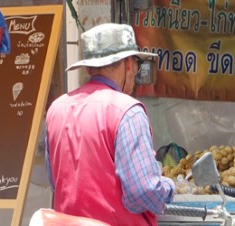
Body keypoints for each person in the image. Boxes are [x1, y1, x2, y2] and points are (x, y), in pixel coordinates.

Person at [45, 23, 174, 226]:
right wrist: (166, 187)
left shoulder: (56, 109)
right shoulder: (128, 112)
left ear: (88, 67)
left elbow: (56, 181)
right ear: (128, 64)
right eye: (136, 64)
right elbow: (141, 192)